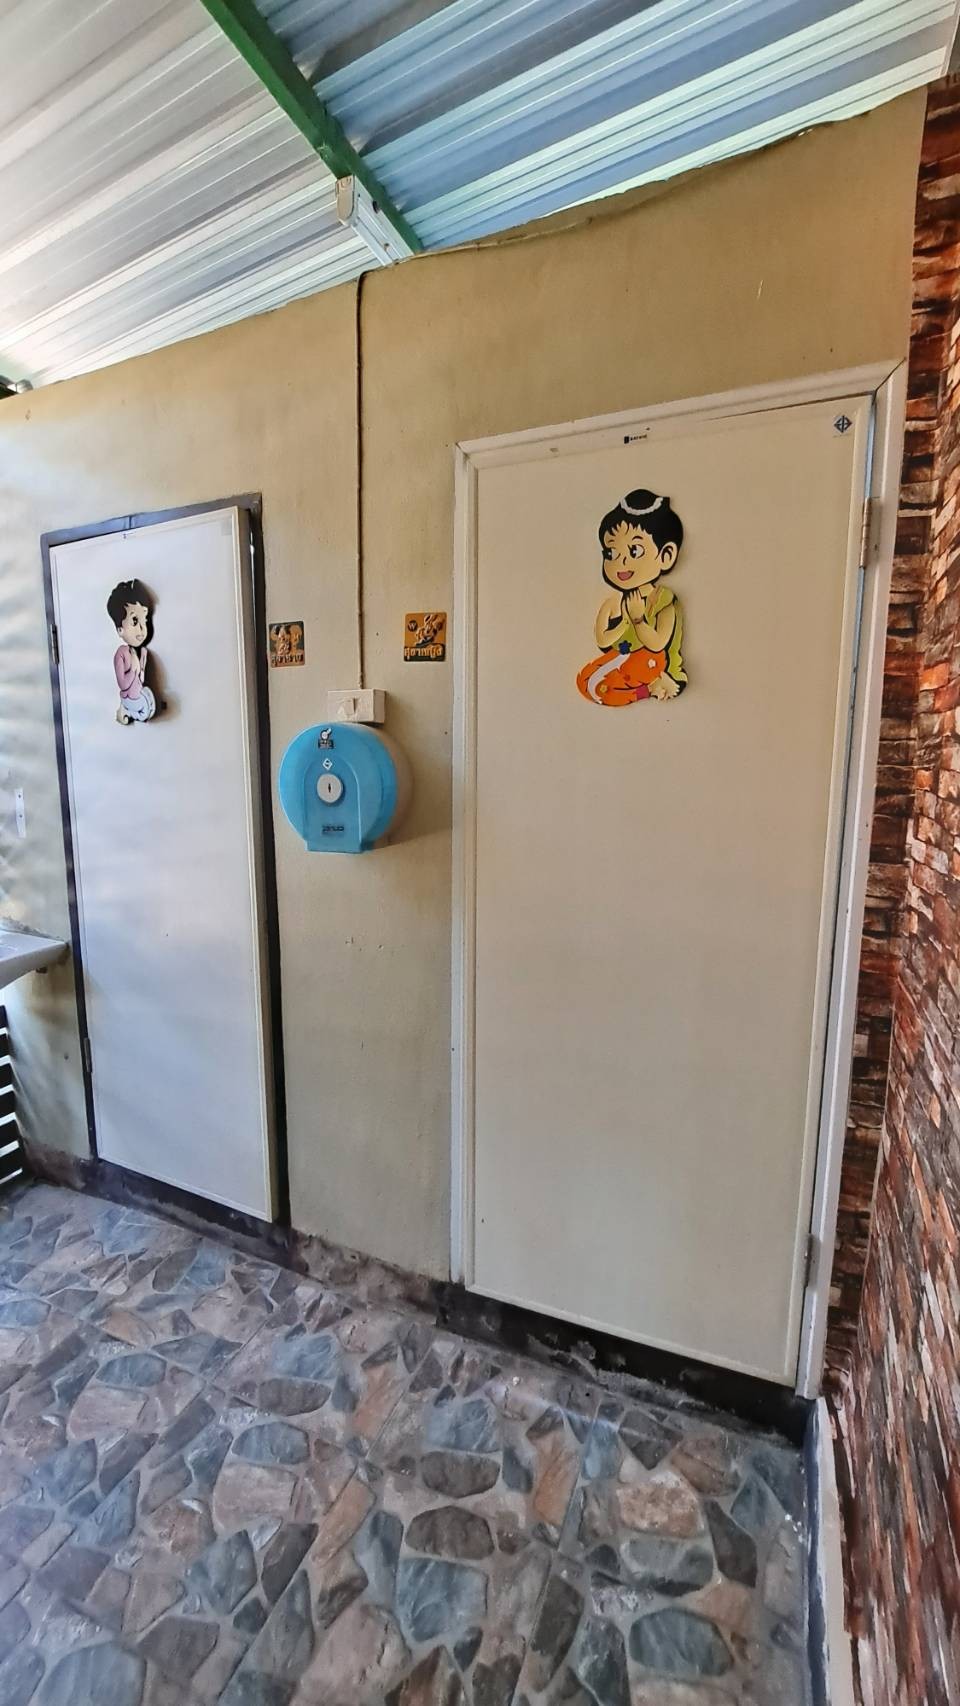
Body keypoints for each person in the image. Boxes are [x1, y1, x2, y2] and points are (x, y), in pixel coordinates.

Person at [576, 489, 687, 707]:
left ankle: (655, 683)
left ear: (666, 556)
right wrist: (625, 623)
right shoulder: (614, 602)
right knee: (587, 683)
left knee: (636, 668)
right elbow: (602, 640)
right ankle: (646, 690)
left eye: (634, 551)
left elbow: (658, 643)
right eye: (611, 553)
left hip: (652, 662)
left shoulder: (663, 599)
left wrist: (638, 620)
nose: (621, 562)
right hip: (622, 663)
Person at [107, 579, 157, 723]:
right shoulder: (121, 654)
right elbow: (123, 684)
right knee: (145, 710)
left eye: (144, 620)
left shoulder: (139, 652)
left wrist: (141, 665)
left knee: (148, 704)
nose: (142, 629)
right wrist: (134, 670)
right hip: (129, 698)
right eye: (135, 621)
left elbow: (141, 680)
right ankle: (125, 709)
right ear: (120, 629)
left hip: (138, 695)